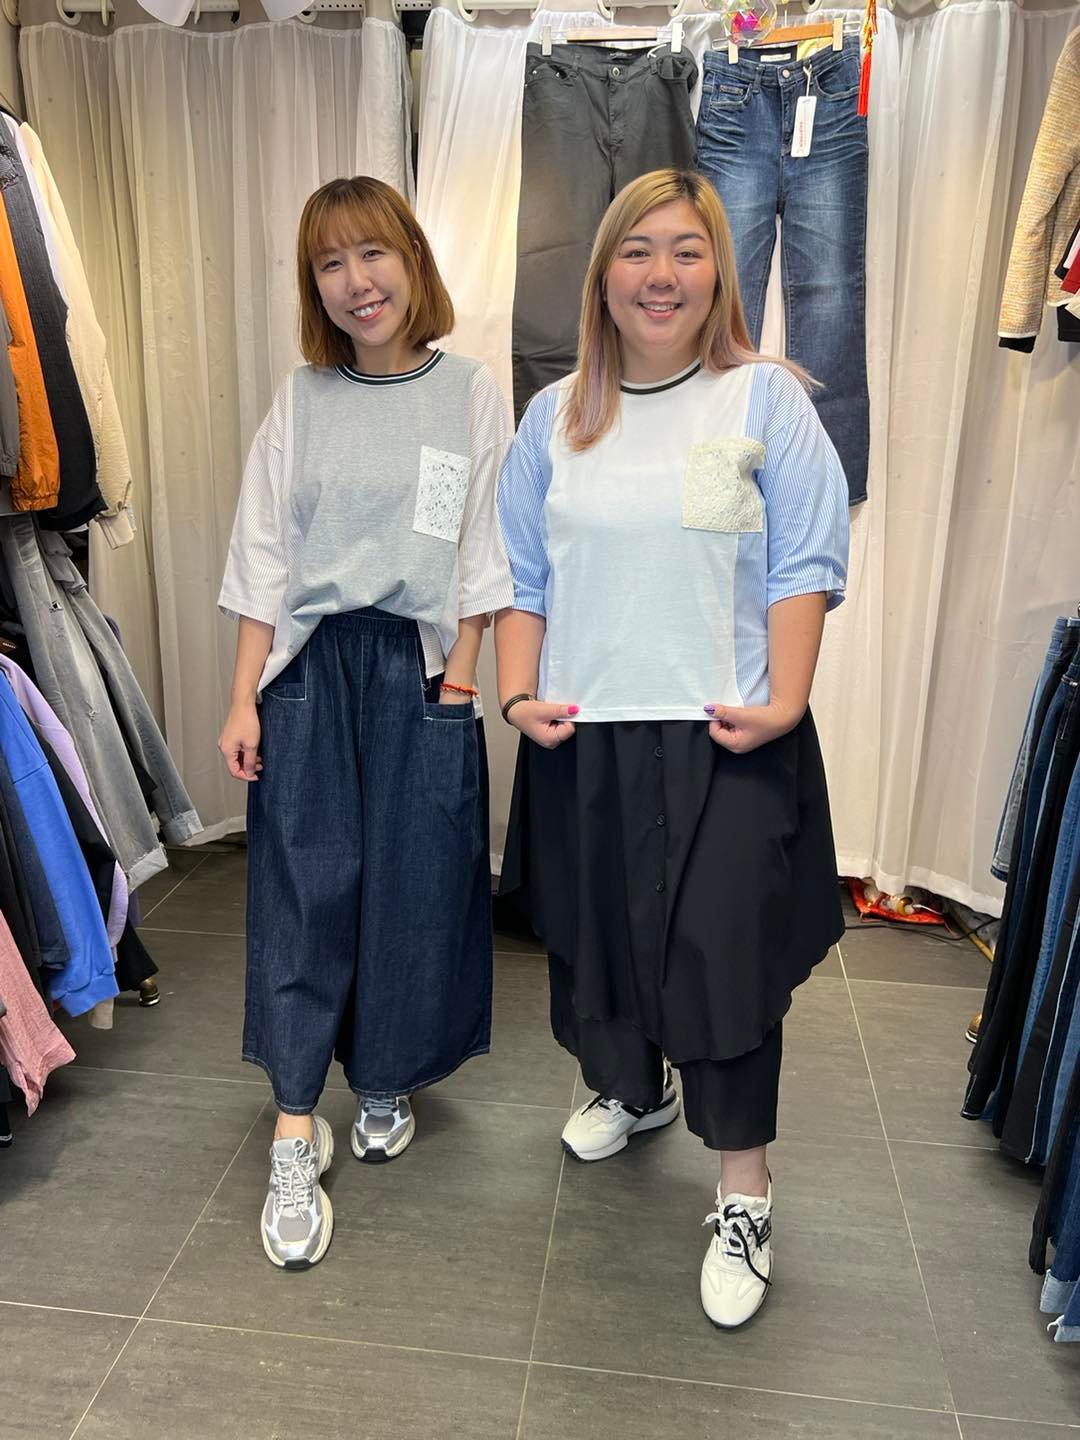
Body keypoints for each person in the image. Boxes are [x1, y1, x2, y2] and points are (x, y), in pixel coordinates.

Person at [495, 168, 848, 1329]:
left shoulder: (760, 402)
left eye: (688, 251)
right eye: (638, 250)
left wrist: (786, 700)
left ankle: (744, 1194)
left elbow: (803, 563)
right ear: (602, 273)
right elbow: (523, 578)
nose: (662, 274)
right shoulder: (556, 419)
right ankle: (628, 1089)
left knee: (723, 959)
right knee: (601, 938)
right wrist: (515, 693)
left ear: (719, 272)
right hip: (587, 733)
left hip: (727, 730)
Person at [217, 176, 513, 1270]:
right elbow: (264, 555)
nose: (356, 281)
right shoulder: (301, 400)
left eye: (372, 253)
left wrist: (461, 679)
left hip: (419, 668)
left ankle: (384, 1075)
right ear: (316, 286)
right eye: (330, 264)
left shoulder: (469, 391)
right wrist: (242, 693)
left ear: (411, 260)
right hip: (308, 670)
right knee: (304, 889)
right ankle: (297, 1126)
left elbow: (482, 542)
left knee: (415, 884)